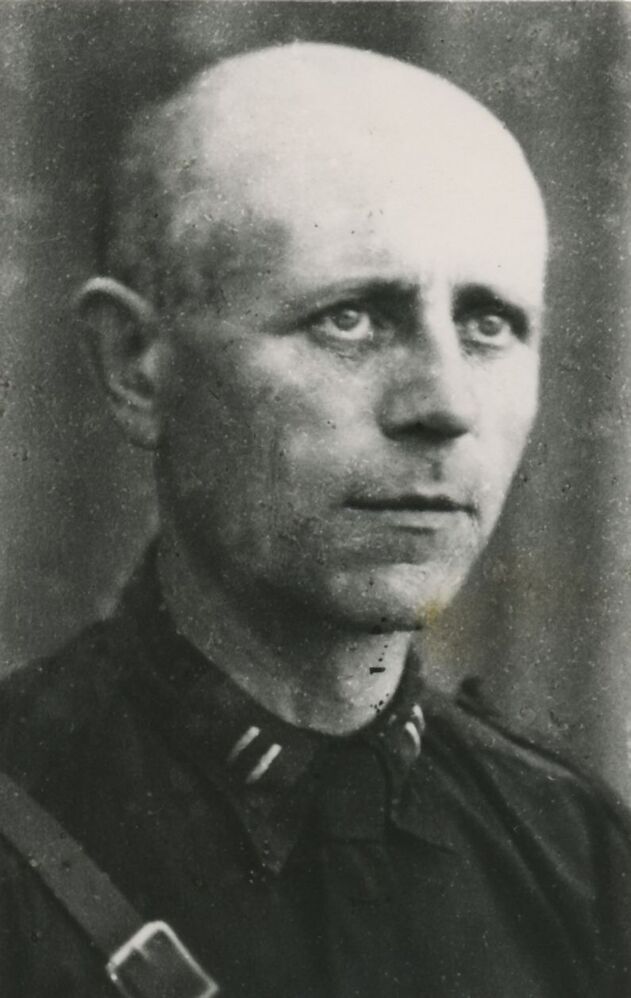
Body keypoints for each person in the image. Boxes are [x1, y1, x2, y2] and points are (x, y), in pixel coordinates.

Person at [0, 41, 629, 998]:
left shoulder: (578, 858)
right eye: (351, 317)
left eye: (487, 325)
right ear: (135, 362)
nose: (444, 404)